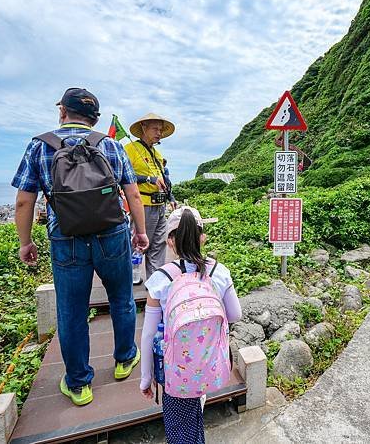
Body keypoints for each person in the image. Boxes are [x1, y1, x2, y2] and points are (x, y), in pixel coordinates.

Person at [12, 88, 150, 406]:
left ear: (63, 112)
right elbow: (131, 195)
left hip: (66, 238)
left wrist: (25, 242)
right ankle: (124, 360)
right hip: (112, 235)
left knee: (72, 311)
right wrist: (140, 233)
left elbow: (23, 201)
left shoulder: (40, 145)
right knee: (121, 299)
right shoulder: (112, 145)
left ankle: (78, 383)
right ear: (95, 118)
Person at [139, 207, 242, 443]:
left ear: (170, 241)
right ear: (202, 237)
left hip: (176, 372)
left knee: (180, 431)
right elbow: (235, 314)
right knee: (196, 416)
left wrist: (146, 378)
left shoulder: (161, 279)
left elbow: (148, 335)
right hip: (209, 365)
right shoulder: (219, 271)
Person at [125, 113, 176, 279]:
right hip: (143, 204)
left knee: (159, 245)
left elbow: (164, 179)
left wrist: (172, 197)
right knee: (139, 244)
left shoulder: (158, 155)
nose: (159, 133)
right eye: (155, 128)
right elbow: (124, 177)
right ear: (143, 128)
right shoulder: (130, 149)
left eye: (161, 130)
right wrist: (149, 179)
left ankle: (156, 281)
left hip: (160, 205)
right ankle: (131, 277)